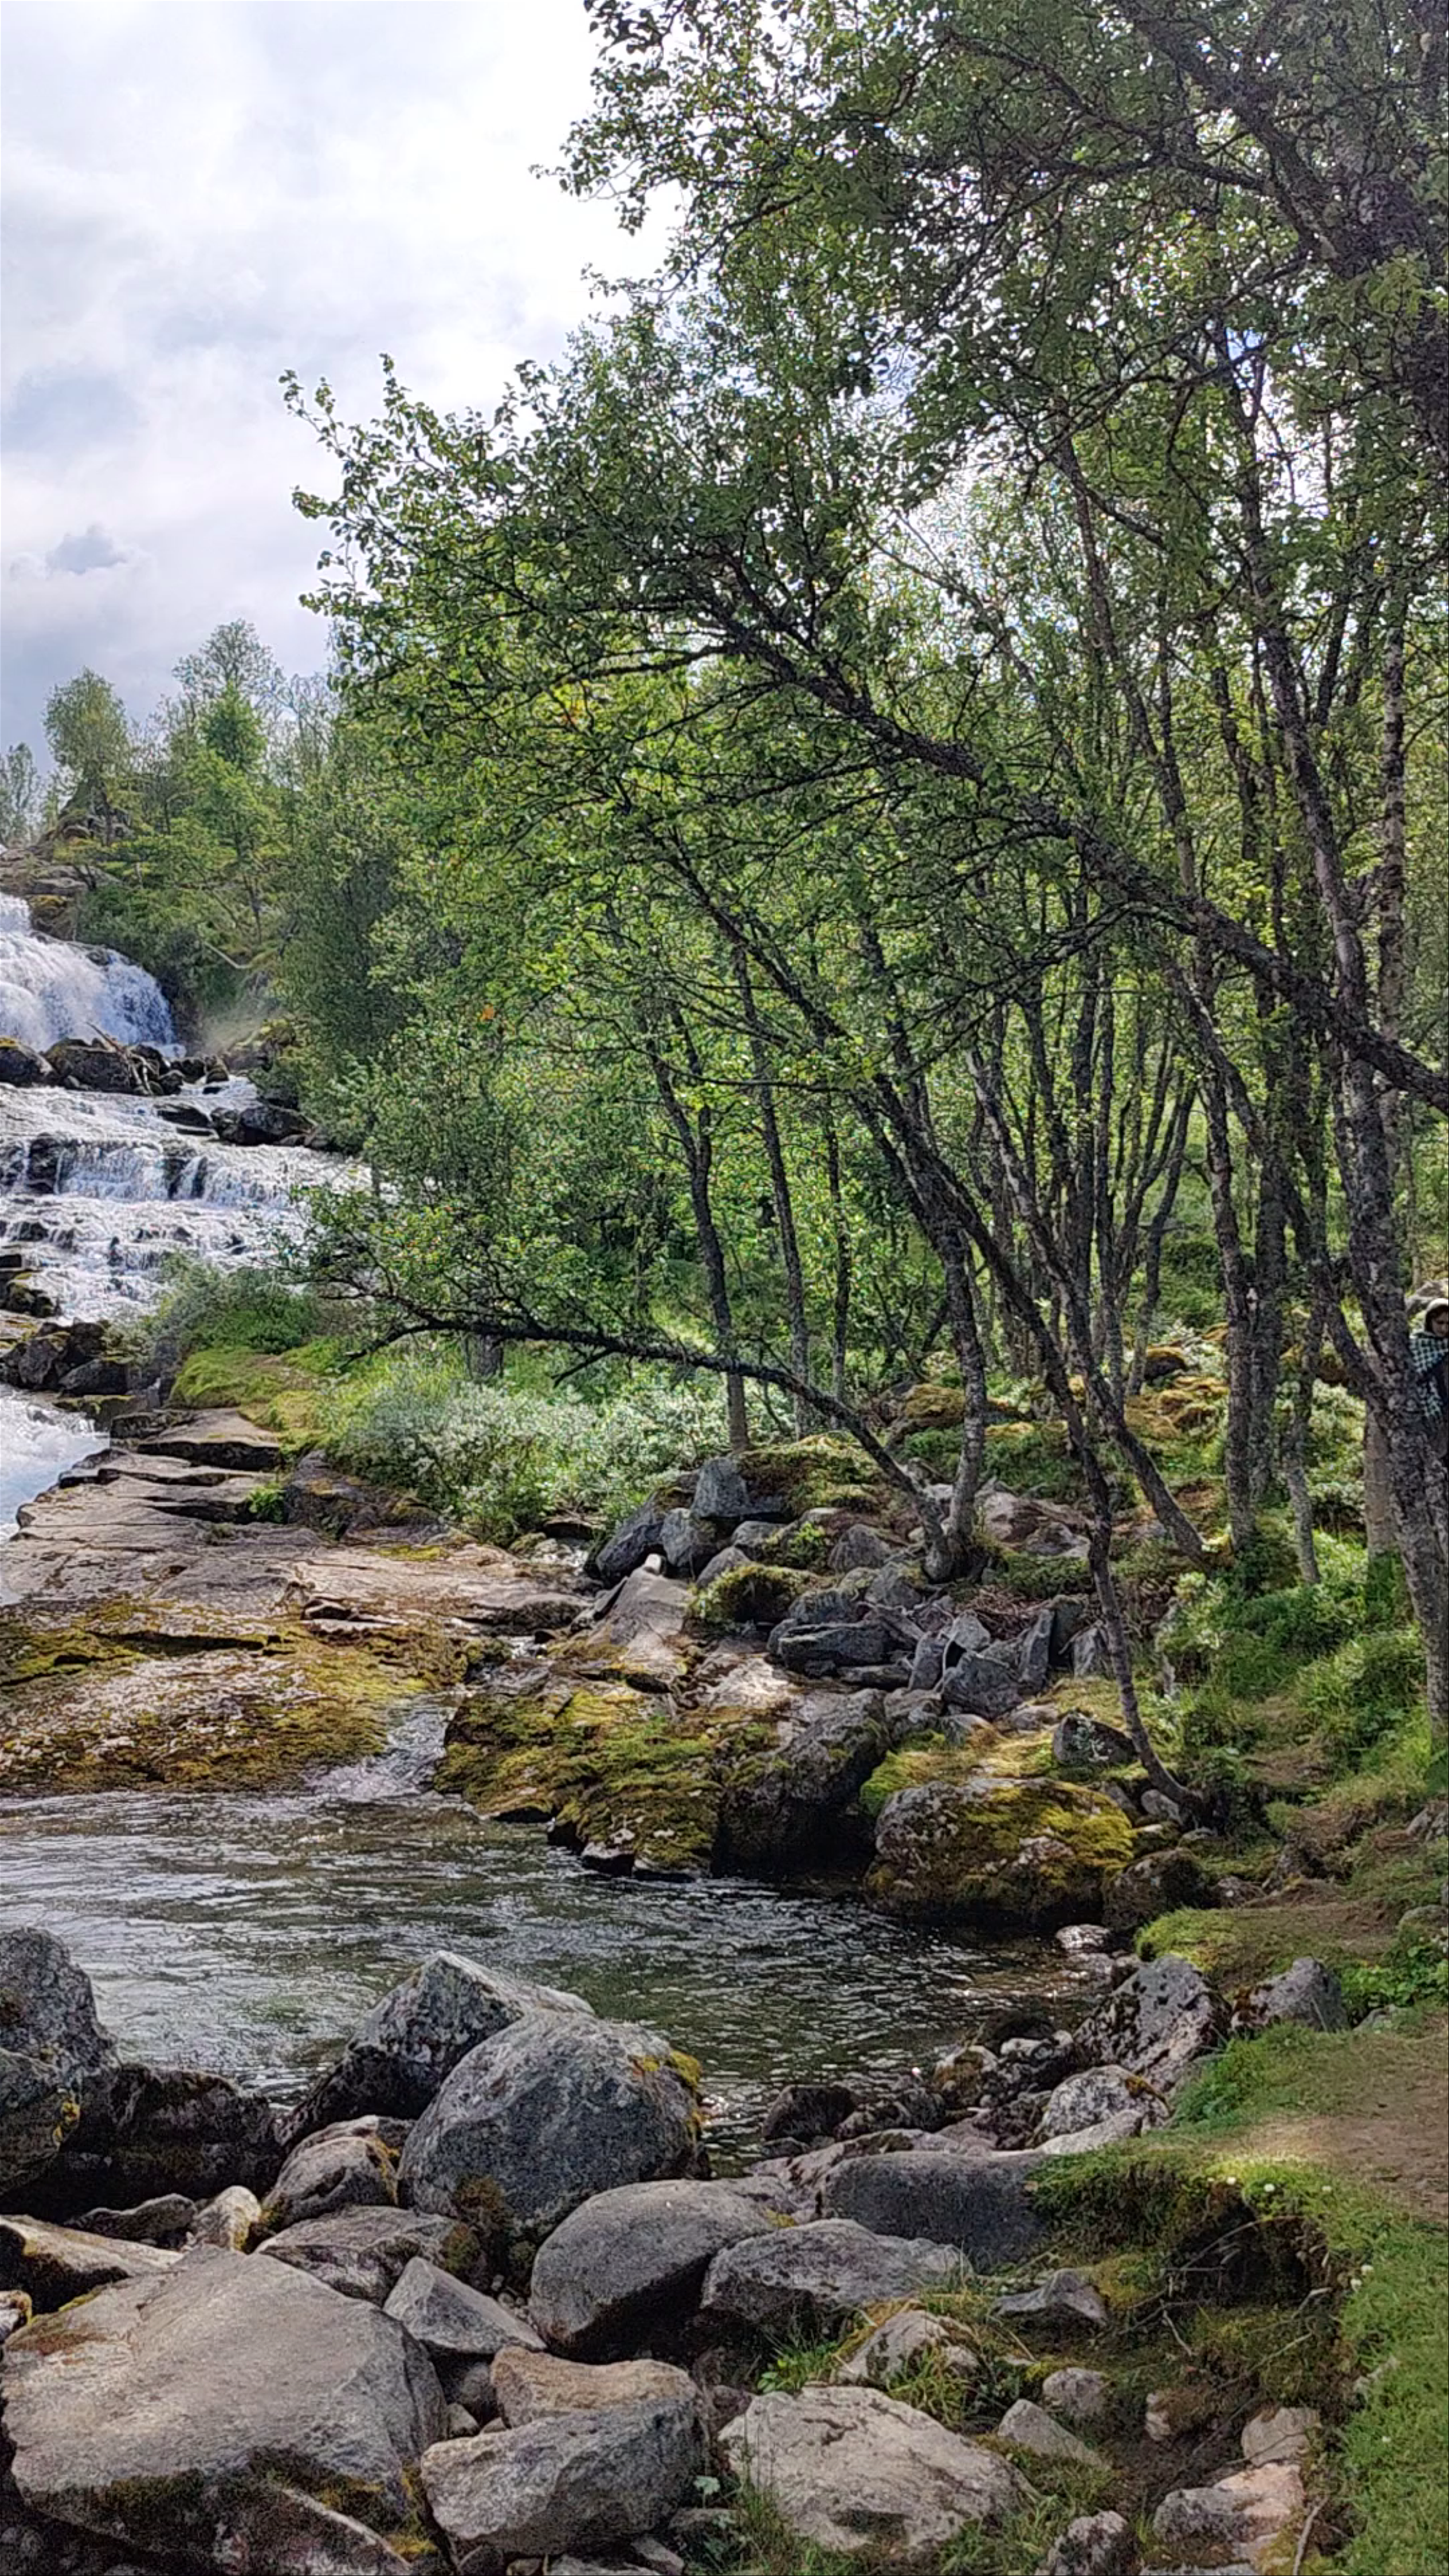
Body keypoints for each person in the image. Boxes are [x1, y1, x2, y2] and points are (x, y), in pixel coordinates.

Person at [1409, 1293, 1449, 1467]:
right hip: (1430, 1413)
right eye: (1440, 1323)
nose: (1444, 1329)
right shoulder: (1417, 1345)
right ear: (1430, 1321)